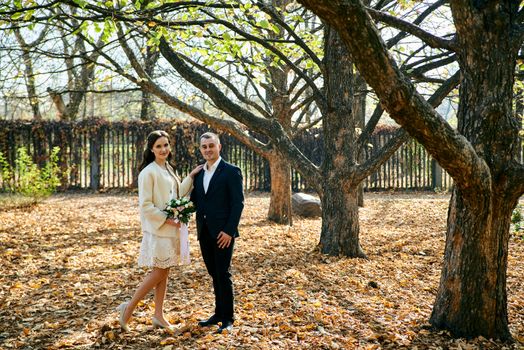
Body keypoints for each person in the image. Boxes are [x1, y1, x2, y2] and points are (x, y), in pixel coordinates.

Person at [117, 130, 203, 332]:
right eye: (158, 146)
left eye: (166, 145)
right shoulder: (148, 172)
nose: (163, 149)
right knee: (159, 272)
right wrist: (167, 219)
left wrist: (190, 177)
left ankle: (158, 315)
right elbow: (145, 205)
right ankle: (128, 309)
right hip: (159, 231)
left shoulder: (169, 168)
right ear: (151, 149)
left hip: (171, 230)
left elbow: (177, 194)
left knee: (164, 272)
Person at [191, 132, 244, 334]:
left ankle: (228, 318)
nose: (208, 150)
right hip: (204, 232)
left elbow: (238, 203)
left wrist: (229, 231)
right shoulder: (199, 173)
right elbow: (196, 201)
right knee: (214, 274)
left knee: (223, 273)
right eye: (204, 147)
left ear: (219, 147)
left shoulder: (231, 171)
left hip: (223, 233)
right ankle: (218, 313)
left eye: (211, 145)